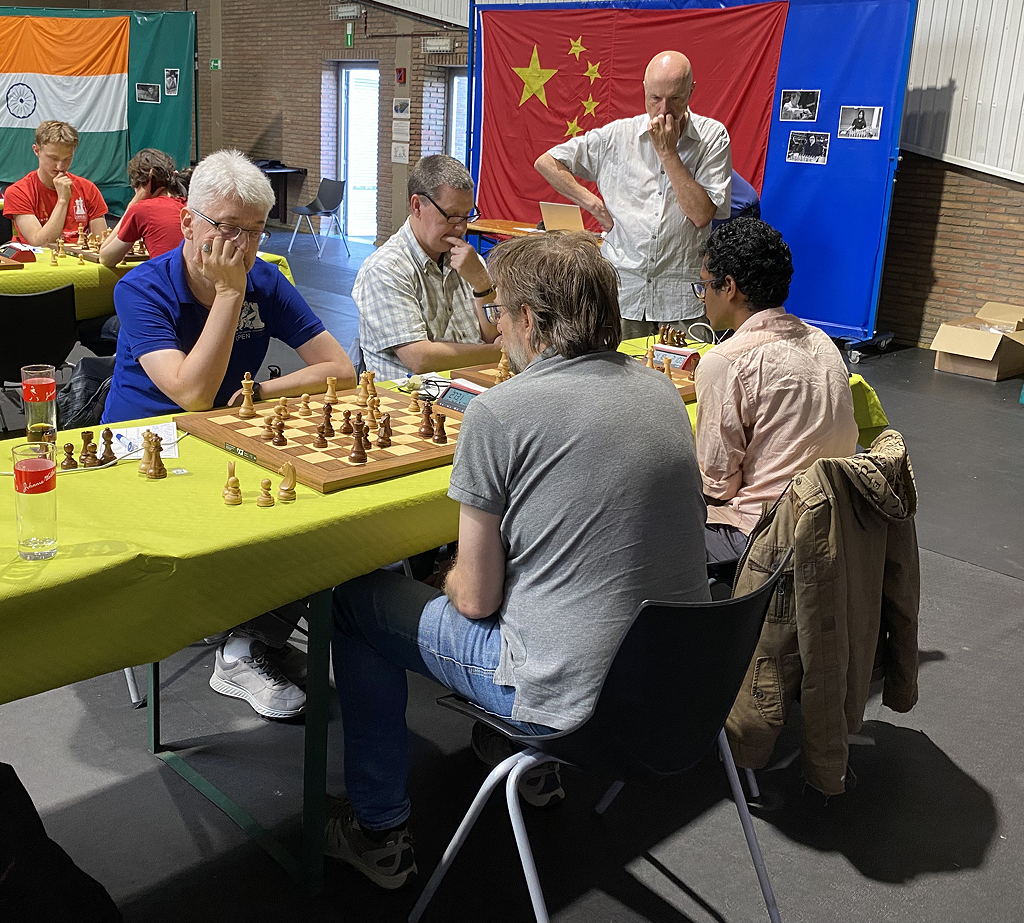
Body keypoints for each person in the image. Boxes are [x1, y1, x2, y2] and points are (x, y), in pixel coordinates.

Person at [326, 231, 709, 890]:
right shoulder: (661, 393)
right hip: (677, 692)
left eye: (498, 312)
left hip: (569, 706)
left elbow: (473, 599)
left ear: (530, 320)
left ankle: (380, 830)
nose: (494, 326)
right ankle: (523, 760)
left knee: (359, 602)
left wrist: (438, 576)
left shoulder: (499, 412)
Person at [102, 149, 356, 717]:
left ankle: (243, 646)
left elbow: (339, 368)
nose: (241, 246)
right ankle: (241, 637)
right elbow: (191, 394)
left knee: (317, 513)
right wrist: (227, 295)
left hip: (229, 436)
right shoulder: (144, 288)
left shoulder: (265, 279)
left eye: (255, 231)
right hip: (146, 445)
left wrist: (259, 393)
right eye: (228, 228)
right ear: (188, 222)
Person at [692, 218, 858, 563]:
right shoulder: (822, 341)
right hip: (834, 524)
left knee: (640, 529)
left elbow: (717, 486)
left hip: (763, 536)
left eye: (704, 286)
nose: (702, 297)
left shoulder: (725, 362)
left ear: (729, 286)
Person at [535, 50, 731, 341]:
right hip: (622, 295)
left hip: (681, 301)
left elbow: (701, 215)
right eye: (655, 98)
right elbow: (546, 162)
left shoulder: (712, 137)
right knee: (617, 385)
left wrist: (667, 152)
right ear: (643, 90)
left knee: (683, 384)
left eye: (675, 99)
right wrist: (592, 204)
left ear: (691, 92)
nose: (664, 110)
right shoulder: (616, 136)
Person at [354, 154, 501, 381]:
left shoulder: (471, 262)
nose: (461, 228)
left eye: (467, 216)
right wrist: (497, 353)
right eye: (451, 216)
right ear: (417, 206)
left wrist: (482, 283)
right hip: (411, 402)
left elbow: (495, 334)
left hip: (470, 389)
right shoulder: (385, 269)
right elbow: (420, 359)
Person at [3, 120, 108, 245]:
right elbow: (40, 242)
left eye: (67, 159)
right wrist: (63, 200)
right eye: (53, 158)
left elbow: (101, 242)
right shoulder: (18, 192)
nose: (60, 166)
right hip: (38, 261)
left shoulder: (88, 188)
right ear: (36, 150)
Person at [99, 148, 191, 266]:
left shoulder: (142, 209)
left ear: (142, 185)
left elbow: (106, 258)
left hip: (169, 281)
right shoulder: (189, 203)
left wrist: (132, 205)